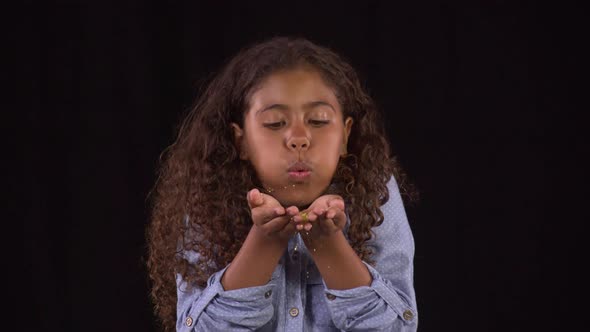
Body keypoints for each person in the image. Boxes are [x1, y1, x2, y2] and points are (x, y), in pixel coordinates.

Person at [147, 36, 421, 331]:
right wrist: (264, 241)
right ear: (241, 141)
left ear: (344, 134)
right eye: (275, 123)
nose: (298, 138)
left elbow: (398, 326)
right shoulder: (209, 192)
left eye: (317, 120)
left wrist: (328, 243)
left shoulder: (374, 189)